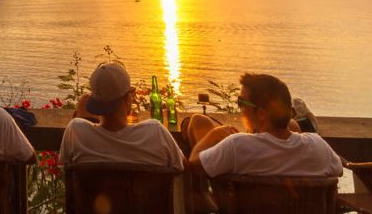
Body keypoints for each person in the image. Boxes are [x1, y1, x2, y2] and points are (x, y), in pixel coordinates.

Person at [188, 73, 342, 177]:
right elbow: (338, 171)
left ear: (261, 114)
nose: (240, 108)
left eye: (241, 102)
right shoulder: (318, 146)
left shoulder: (237, 146)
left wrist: (213, 135)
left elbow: (193, 165)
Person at [59, 62, 185, 169]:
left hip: (91, 198)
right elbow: (182, 165)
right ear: (128, 100)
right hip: (142, 198)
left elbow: (65, 165)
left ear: (95, 103)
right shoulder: (155, 132)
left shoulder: (76, 131)